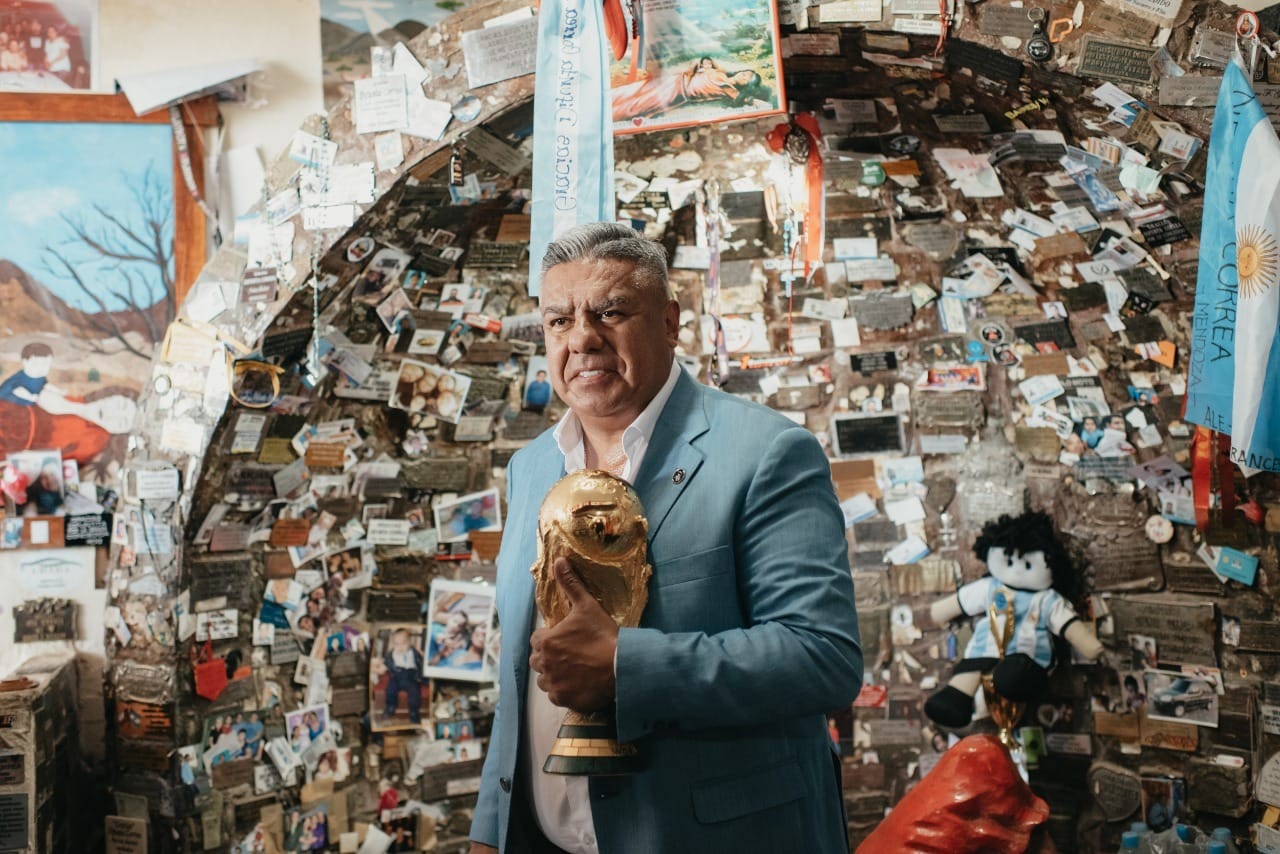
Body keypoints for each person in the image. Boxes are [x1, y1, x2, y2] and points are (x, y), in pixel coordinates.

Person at [470, 223, 862, 853]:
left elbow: (823, 657)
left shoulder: (767, 451)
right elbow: (520, 670)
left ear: (671, 322)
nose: (582, 338)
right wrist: (491, 829)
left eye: (610, 312)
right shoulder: (531, 467)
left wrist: (624, 666)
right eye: (559, 320)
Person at [612, 56, 773, 123]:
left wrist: (757, 102)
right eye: (744, 72)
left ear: (746, 84)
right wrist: (695, 67)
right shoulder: (721, 72)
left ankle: (607, 113)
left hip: (677, 92)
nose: (742, 75)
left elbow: (745, 99)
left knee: (636, 105)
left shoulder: (729, 88)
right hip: (674, 80)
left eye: (746, 78)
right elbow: (700, 67)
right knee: (634, 90)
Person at [384, 628, 425, 723]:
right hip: (397, 675)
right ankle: (391, 706)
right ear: (393, 645)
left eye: (403, 643)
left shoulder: (414, 652)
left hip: (411, 675)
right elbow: (387, 663)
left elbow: (420, 662)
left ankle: (414, 711)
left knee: (415, 693)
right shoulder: (391, 654)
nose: (400, 647)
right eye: (397, 644)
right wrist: (387, 667)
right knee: (390, 690)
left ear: (410, 642)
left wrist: (420, 674)